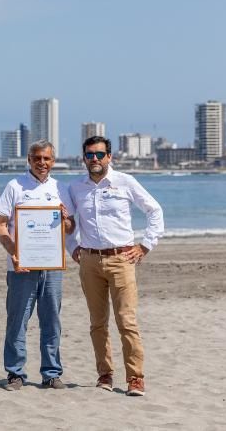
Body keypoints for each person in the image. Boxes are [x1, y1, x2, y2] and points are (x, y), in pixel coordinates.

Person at [69, 136, 164, 397]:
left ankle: (135, 378)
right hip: (89, 261)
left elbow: (154, 211)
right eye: (90, 155)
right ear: (84, 158)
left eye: (100, 154)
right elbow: (66, 221)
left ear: (110, 157)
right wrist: (72, 247)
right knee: (97, 323)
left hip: (122, 259)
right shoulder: (76, 187)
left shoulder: (125, 182)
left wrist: (145, 245)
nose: (95, 159)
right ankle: (105, 374)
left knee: (126, 321)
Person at [0, 140, 75, 391]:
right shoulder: (15, 186)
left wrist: (65, 220)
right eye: (37, 158)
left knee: (51, 320)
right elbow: (0, 224)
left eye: (47, 159)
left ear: (53, 161)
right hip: (21, 267)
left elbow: (70, 228)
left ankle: (51, 373)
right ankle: (15, 374)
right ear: (29, 159)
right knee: (17, 321)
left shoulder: (61, 188)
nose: (42, 163)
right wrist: (14, 253)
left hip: (52, 266)